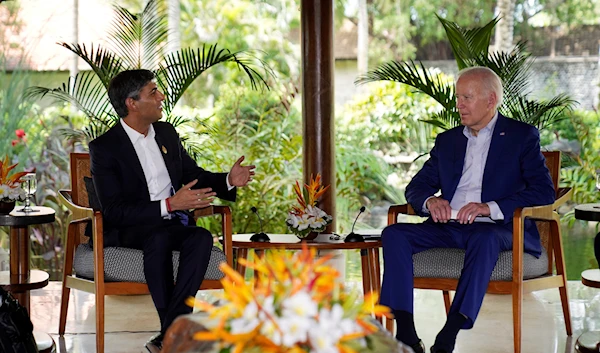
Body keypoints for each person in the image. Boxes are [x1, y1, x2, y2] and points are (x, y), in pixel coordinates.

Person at [379, 66, 555, 353]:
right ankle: (406, 332)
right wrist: (429, 201)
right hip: (447, 227)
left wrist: (489, 208)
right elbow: (417, 187)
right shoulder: (448, 141)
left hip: (496, 228)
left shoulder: (521, 137)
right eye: (458, 97)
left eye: (467, 97)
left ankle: (450, 332)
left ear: (491, 99)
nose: (459, 104)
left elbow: (544, 191)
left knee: (483, 239)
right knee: (394, 234)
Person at [89, 69, 255, 352]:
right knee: (159, 238)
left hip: (171, 223)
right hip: (131, 229)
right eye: (153, 92)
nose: (161, 96)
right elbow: (115, 210)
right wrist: (168, 205)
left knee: (201, 238)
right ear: (132, 103)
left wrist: (228, 179)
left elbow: (193, 176)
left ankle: (168, 334)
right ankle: (176, 333)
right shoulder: (105, 147)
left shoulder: (166, 133)